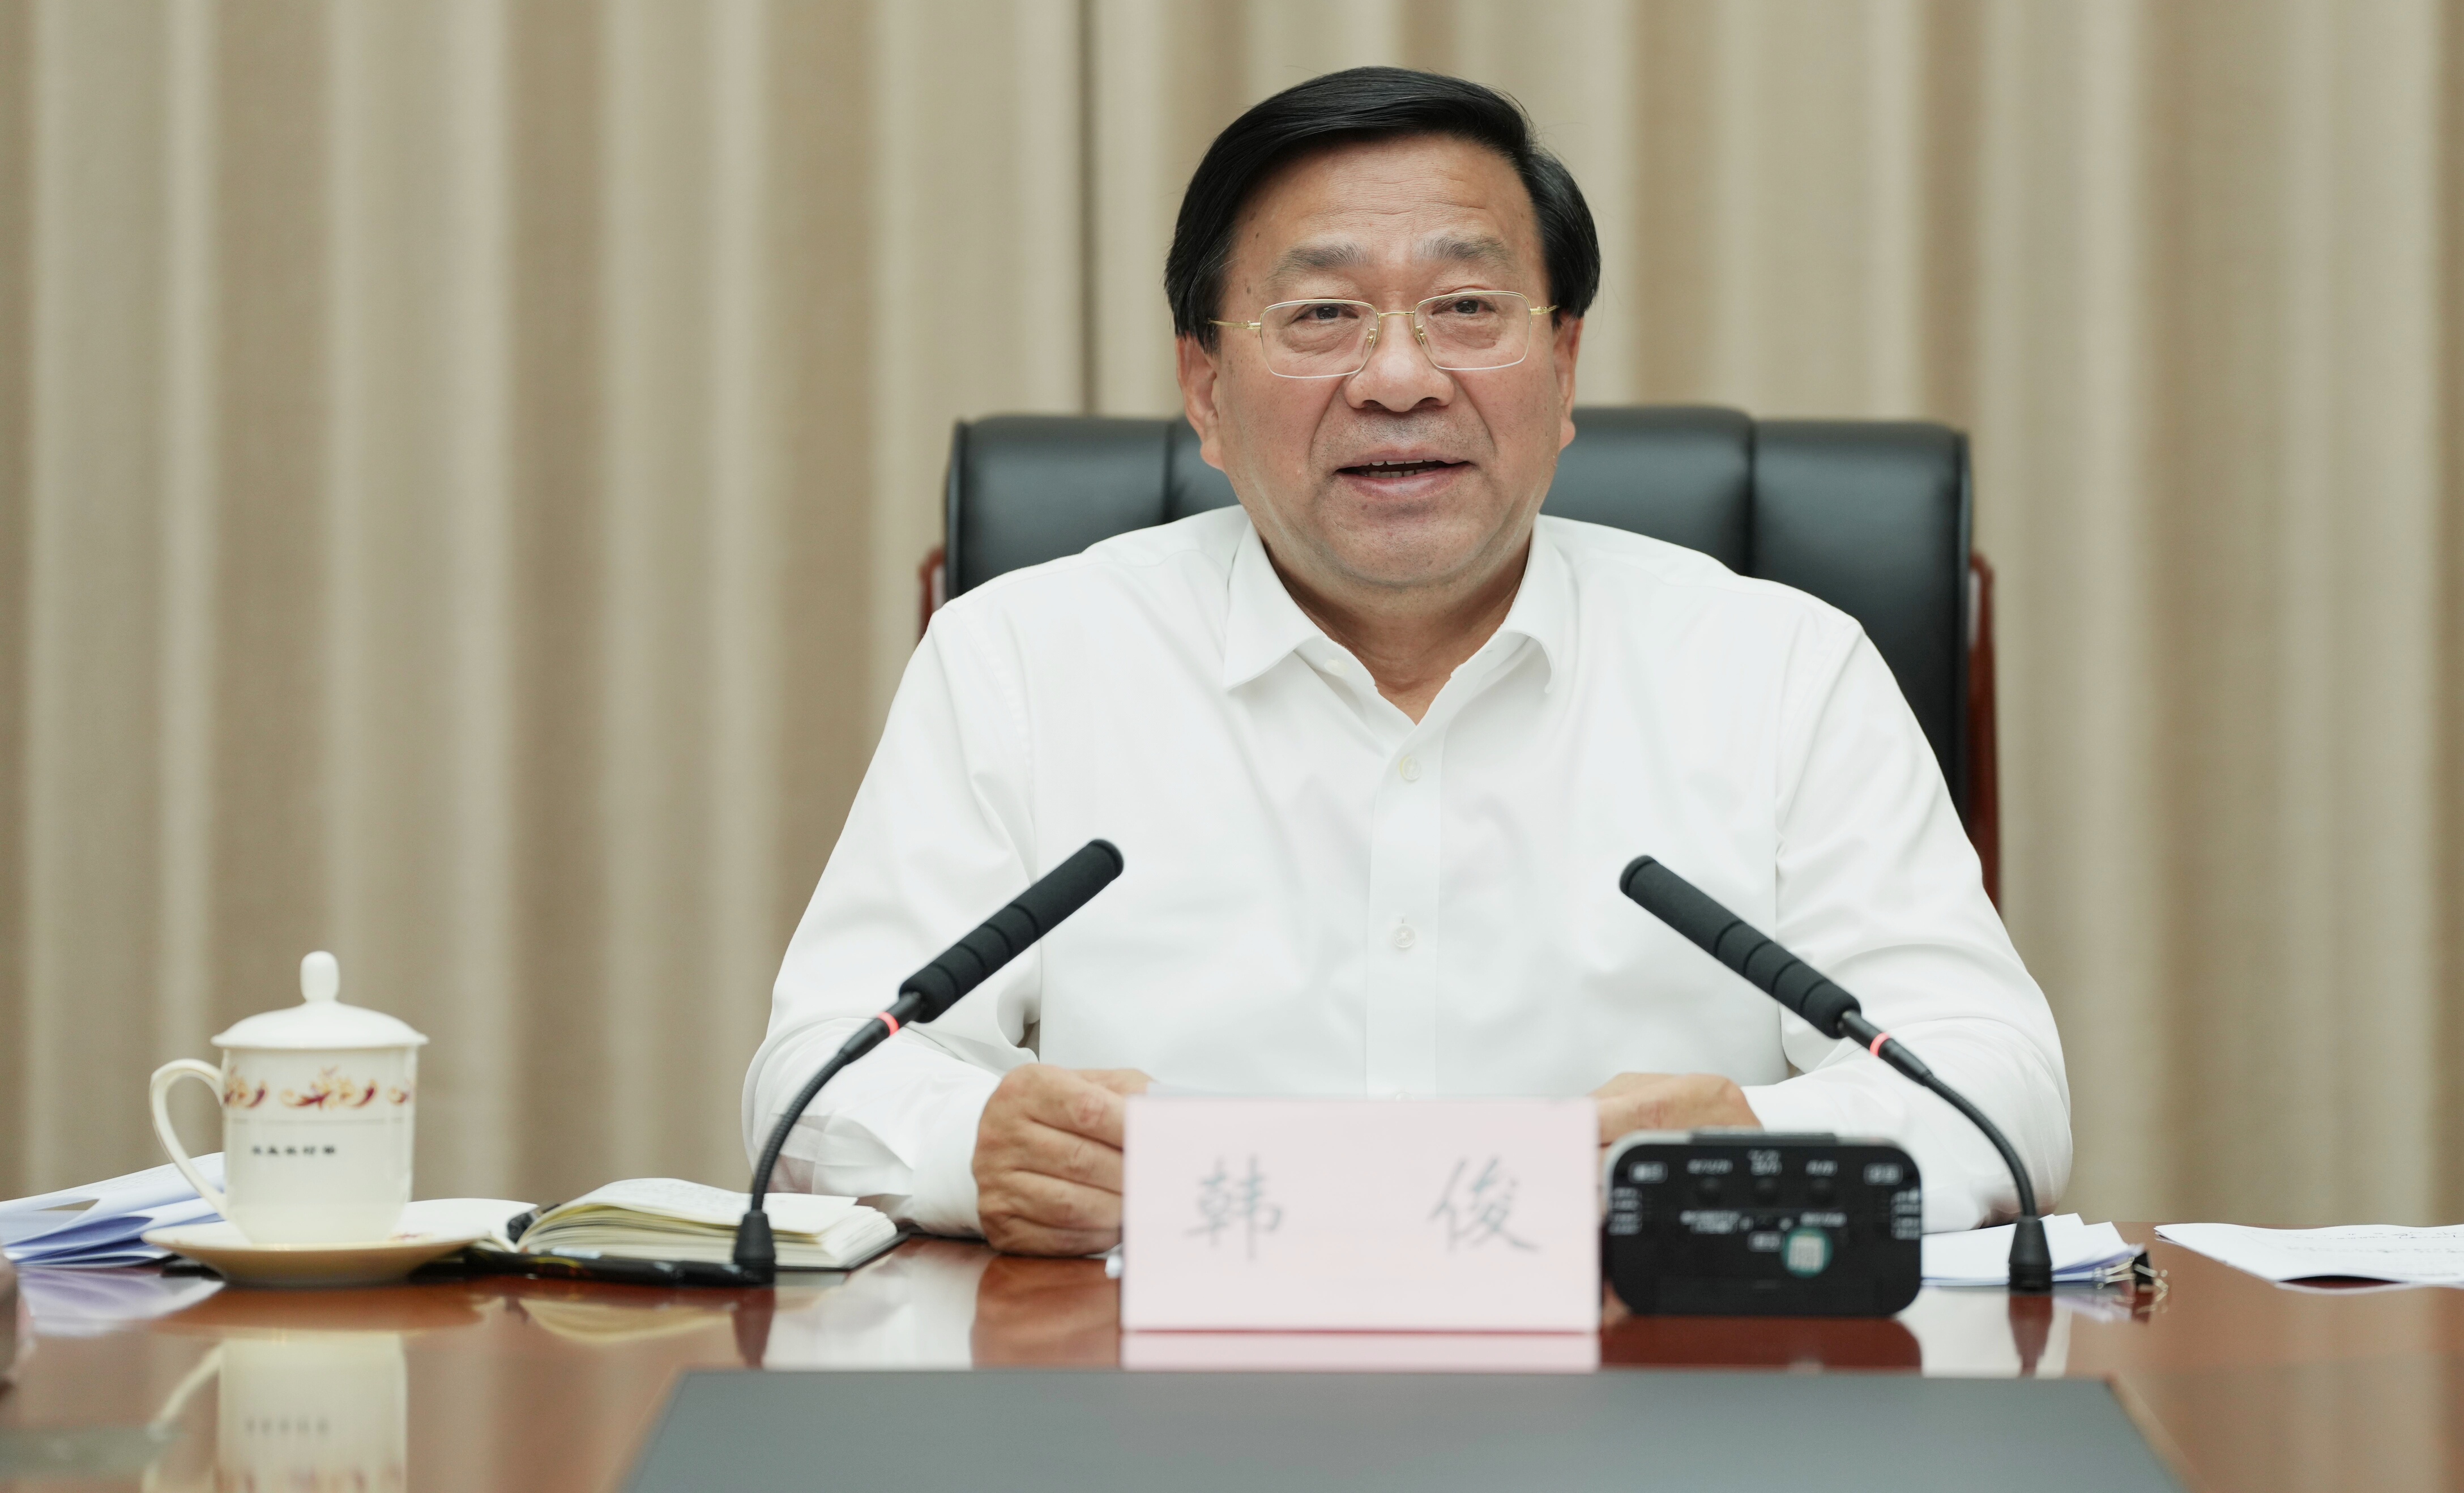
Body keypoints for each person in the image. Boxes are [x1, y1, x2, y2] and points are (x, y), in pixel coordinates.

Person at [745, 66, 2069, 1254]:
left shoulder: (1779, 670)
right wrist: (973, 1149)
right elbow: (819, 1077)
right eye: (1322, 314)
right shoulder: (1024, 662)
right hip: (1150, 1395)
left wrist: (1750, 1147)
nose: (1397, 378)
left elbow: (1993, 1086)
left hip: (1651, 1394)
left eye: (1467, 307)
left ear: (1563, 368)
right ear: (1205, 391)